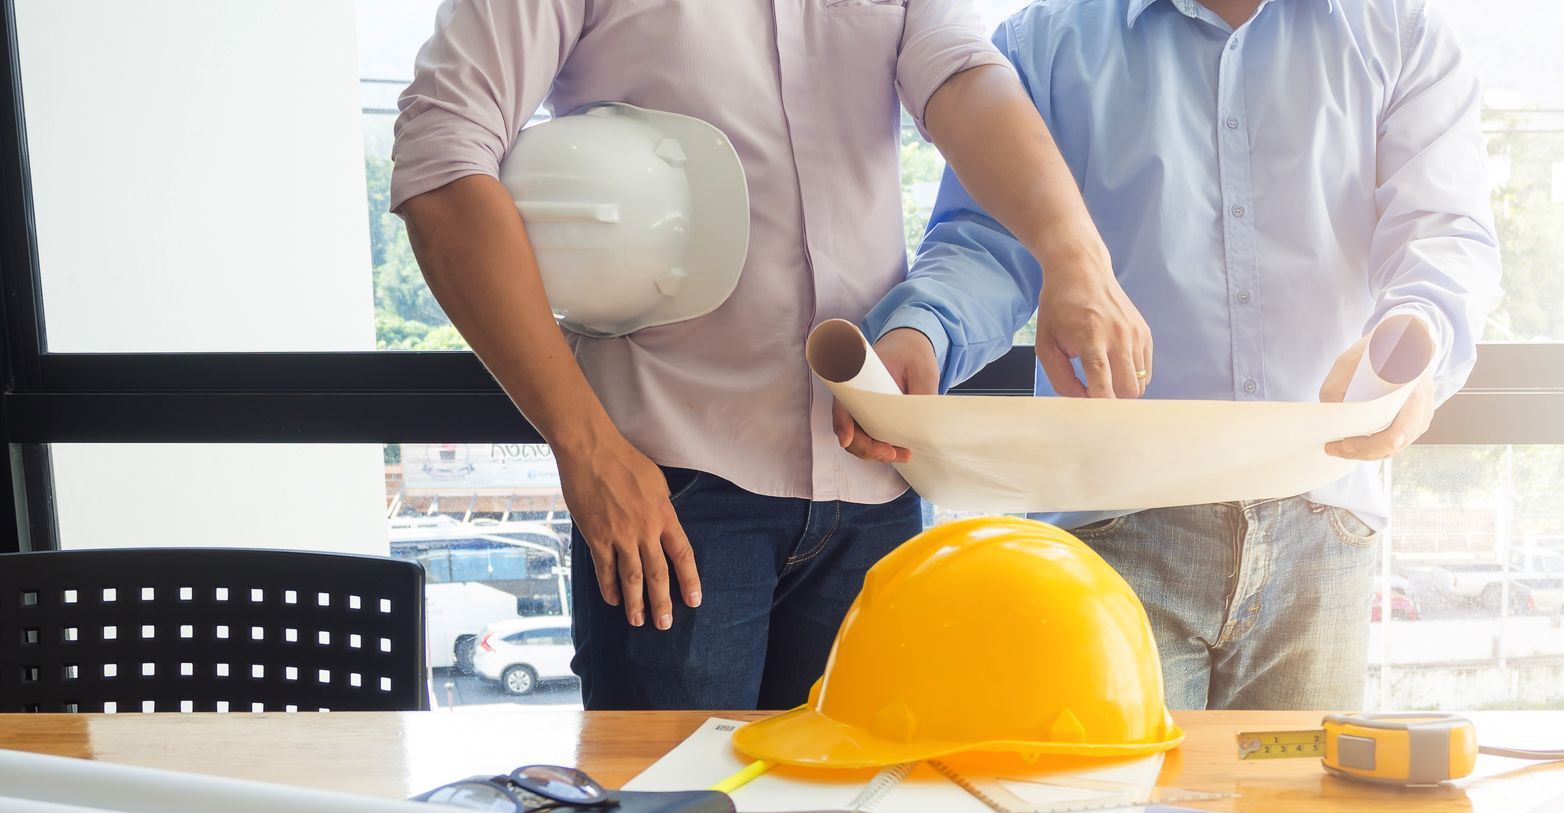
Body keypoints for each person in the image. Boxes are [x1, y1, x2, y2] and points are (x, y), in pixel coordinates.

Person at [391, 1, 1150, 710]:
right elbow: (443, 156)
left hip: (872, 483)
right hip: (669, 491)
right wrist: (583, 447)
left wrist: (1071, 252)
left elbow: (960, 77)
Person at [847, 0, 1500, 709]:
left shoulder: (1399, 32)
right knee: (1119, 810)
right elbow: (987, 242)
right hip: (1112, 522)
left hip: (1323, 522)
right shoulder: (1043, 43)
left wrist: (1420, 329)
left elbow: (1444, 230)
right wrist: (924, 330)